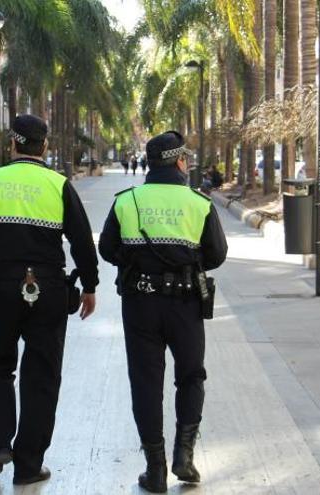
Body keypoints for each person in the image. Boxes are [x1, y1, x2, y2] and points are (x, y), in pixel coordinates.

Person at [0, 114, 99, 486]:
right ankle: (29, 465)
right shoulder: (58, 184)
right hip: (48, 290)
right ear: (44, 147)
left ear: (11, 144)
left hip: (0, 289)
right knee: (42, 376)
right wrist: (91, 286)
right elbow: (82, 240)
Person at [99, 130, 228, 493]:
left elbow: (107, 247)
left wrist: (135, 261)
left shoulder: (127, 200)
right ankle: (184, 456)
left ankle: (155, 470)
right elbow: (216, 254)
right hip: (185, 303)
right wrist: (187, 262)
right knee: (190, 376)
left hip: (140, 304)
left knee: (145, 382)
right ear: (181, 161)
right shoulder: (198, 202)